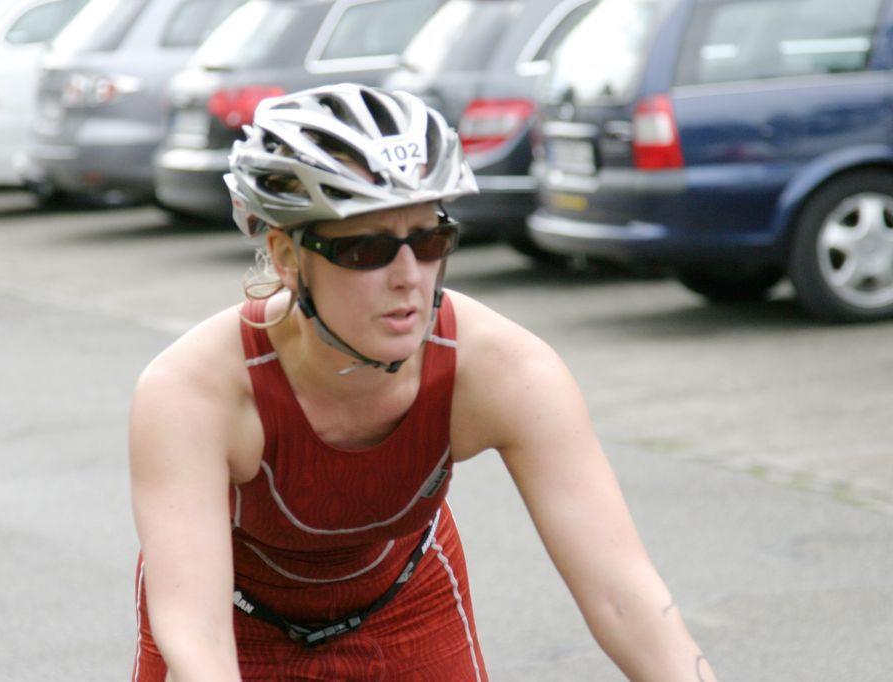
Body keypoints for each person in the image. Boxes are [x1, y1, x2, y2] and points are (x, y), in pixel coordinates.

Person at [129, 83, 716, 682]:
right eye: (368, 249)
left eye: (430, 239)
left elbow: (623, 596)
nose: (409, 277)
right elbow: (197, 634)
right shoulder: (193, 392)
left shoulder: (500, 368)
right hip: (232, 623)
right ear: (286, 257)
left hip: (405, 606)